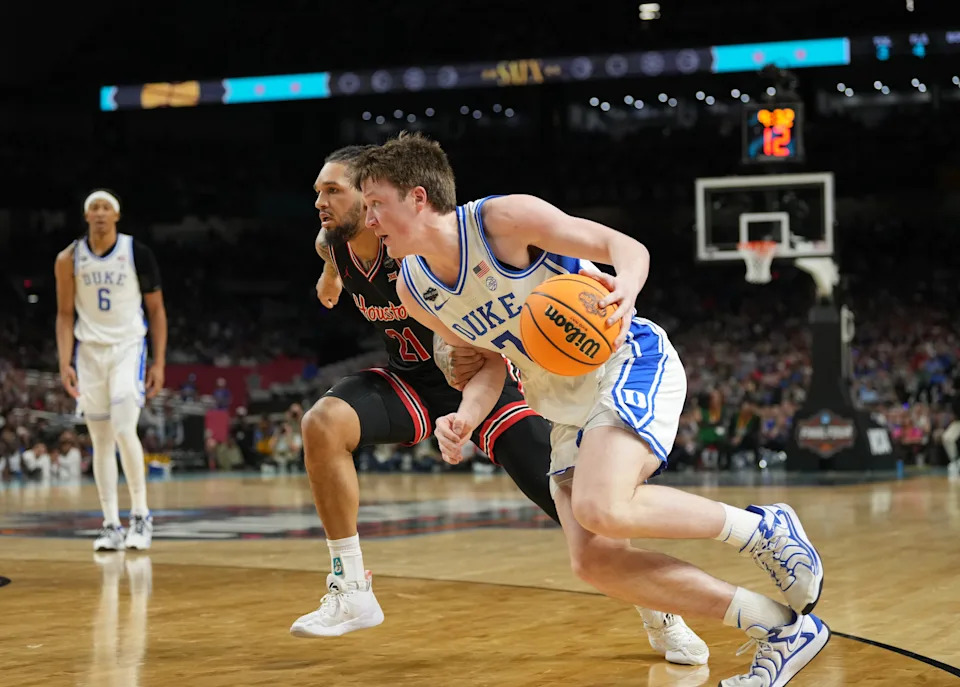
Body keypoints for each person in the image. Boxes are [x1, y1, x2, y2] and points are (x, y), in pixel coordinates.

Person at [352, 133, 830, 687]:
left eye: (375, 204)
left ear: (416, 197)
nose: (369, 221)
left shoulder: (503, 220)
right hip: (564, 408)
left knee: (603, 506)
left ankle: (763, 530)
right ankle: (779, 629)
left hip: (625, 360)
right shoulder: (414, 291)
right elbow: (490, 361)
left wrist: (625, 288)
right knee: (596, 560)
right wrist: (464, 415)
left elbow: (626, 246)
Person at [289, 147, 709, 667]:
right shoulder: (334, 242)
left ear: (378, 196)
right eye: (318, 193)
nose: (322, 203)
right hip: (411, 381)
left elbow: (479, 338)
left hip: (491, 379)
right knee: (322, 422)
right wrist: (330, 280)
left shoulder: (425, 245)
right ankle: (350, 587)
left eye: (334, 191)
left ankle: (659, 609)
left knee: (580, 511)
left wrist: (460, 353)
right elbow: (329, 264)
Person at [54, 189, 167, 551]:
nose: (100, 213)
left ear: (116, 216)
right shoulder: (68, 259)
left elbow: (157, 311)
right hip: (88, 353)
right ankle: (110, 524)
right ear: (86, 216)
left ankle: (141, 515)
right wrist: (64, 362)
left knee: (122, 429)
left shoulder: (136, 252)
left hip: (127, 348)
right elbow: (64, 314)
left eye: (106, 208)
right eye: (94, 208)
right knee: (100, 441)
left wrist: (159, 362)